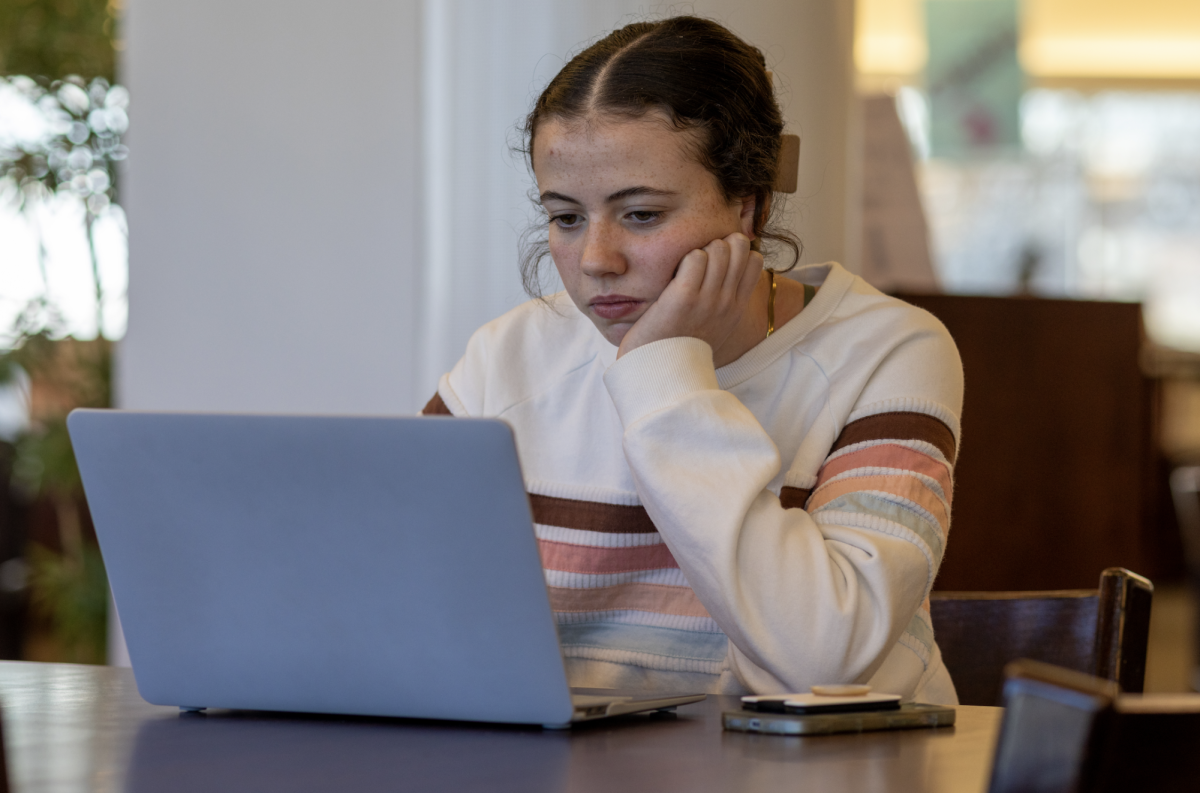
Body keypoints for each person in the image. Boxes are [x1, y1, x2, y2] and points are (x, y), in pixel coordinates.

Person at [423, 16, 963, 704]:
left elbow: (825, 659)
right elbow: (386, 591)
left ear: (748, 206)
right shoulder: (507, 356)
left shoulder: (890, 350)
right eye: (565, 217)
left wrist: (661, 372)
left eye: (641, 214)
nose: (595, 259)